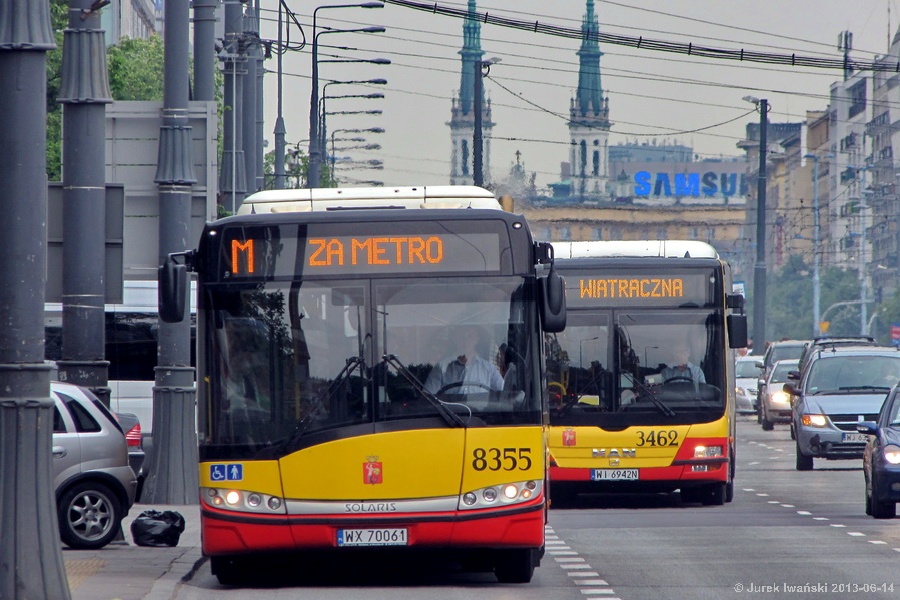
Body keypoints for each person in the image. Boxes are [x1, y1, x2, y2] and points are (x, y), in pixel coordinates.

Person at [425, 325, 504, 394]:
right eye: (461, 336)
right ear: (455, 339)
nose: (465, 341)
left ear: (476, 340)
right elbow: (427, 398)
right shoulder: (441, 368)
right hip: (447, 411)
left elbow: (505, 394)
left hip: (481, 411)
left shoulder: (488, 368)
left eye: (470, 336)